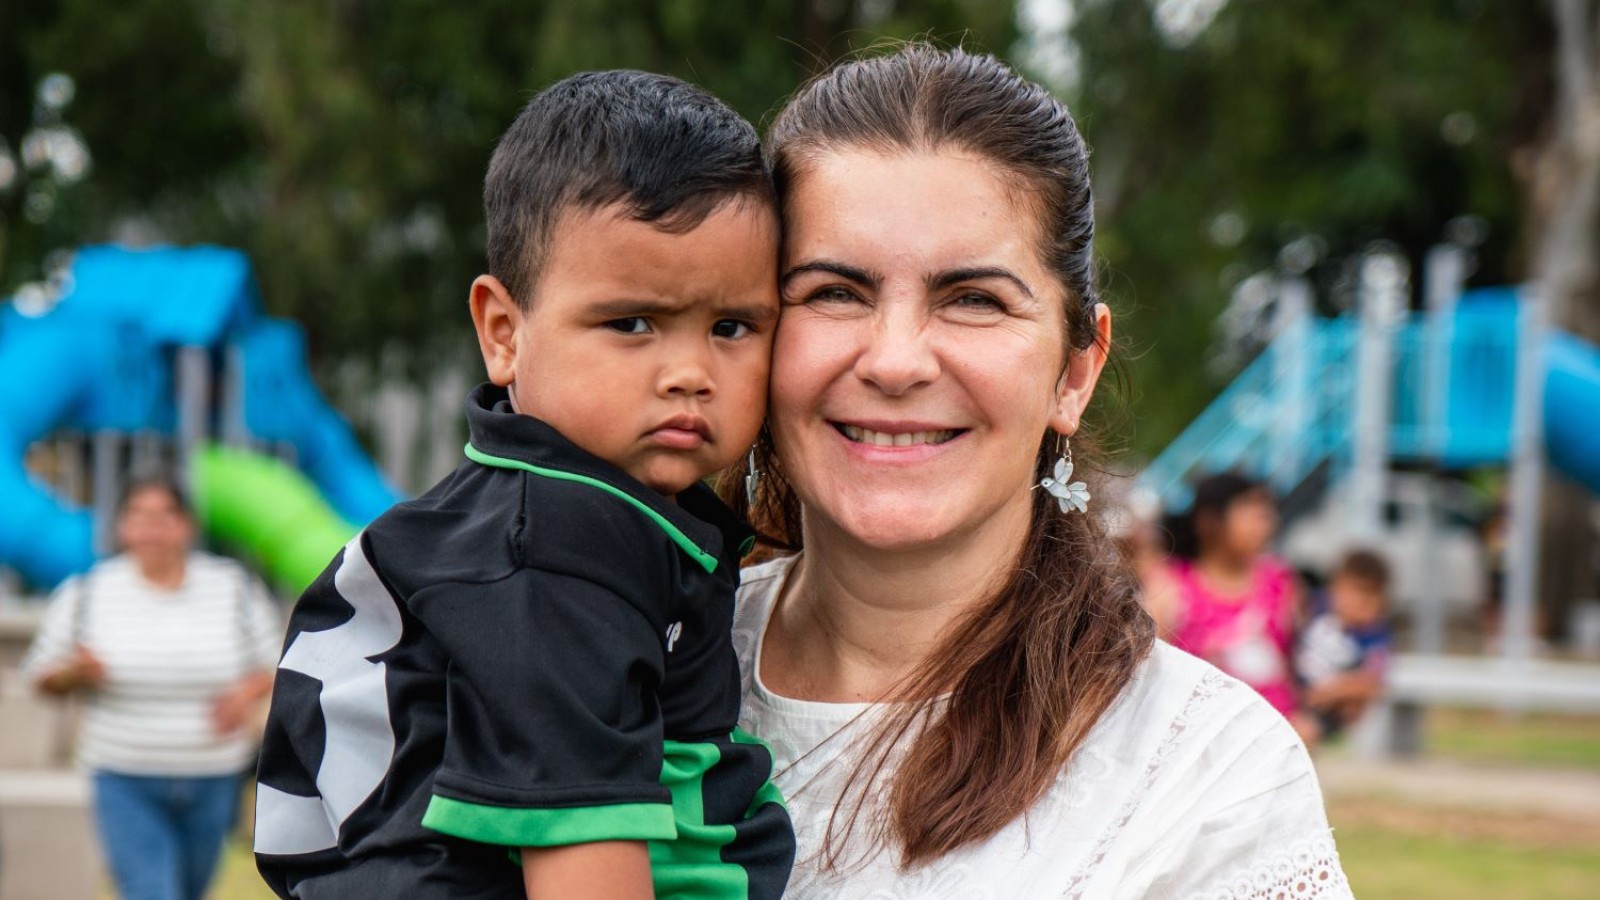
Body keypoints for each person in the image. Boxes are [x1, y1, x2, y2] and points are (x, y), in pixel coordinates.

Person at [722, 45, 1352, 897]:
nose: (895, 361)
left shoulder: (1208, 778)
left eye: (974, 300)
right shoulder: (624, 665)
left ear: (1075, 371)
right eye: (834, 292)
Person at [253, 71, 794, 900]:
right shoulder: (556, 552)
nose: (690, 372)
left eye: (732, 326)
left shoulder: (571, 515)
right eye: (632, 323)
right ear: (504, 334)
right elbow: (583, 868)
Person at [22, 476, 281, 900]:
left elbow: (276, 663)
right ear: (121, 526)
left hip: (213, 773)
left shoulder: (232, 587)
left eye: (164, 517)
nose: (151, 530)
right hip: (123, 773)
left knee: (191, 889)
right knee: (151, 891)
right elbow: (41, 675)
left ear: (187, 525)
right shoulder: (88, 591)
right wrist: (76, 672)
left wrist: (244, 696)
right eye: (139, 517)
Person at [1166, 472, 1304, 725]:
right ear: (1209, 521)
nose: (1264, 523)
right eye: (1249, 512)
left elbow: (1298, 658)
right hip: (1202, 729)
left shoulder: (1280, 581)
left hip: (1277, 727)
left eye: (1265, 513)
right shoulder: (1172, 586)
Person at [1297, 548, 1393, 744]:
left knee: (1303, 732)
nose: (1356, 605)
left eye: (1367, 601)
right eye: (1349, 593)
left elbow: (1373, 681)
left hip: (1327, 707)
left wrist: (1336, 690)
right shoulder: (1317, 607)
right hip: (1293, 689)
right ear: (1334, 588)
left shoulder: (1372, 636)